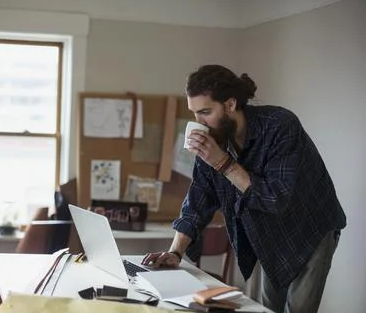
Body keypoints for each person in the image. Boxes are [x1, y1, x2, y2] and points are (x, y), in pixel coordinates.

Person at [142, 65, 346, 313]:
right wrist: (175, 252)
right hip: (267, 231)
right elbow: (197, 202)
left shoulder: (280, 125)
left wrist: (222, 162)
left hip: (309, 228)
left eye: (205, 112)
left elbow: (275, 198)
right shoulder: (214, 141)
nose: (199, 122)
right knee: (264, 308)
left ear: (230, 105)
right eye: (194, 113)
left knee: (299, 309)